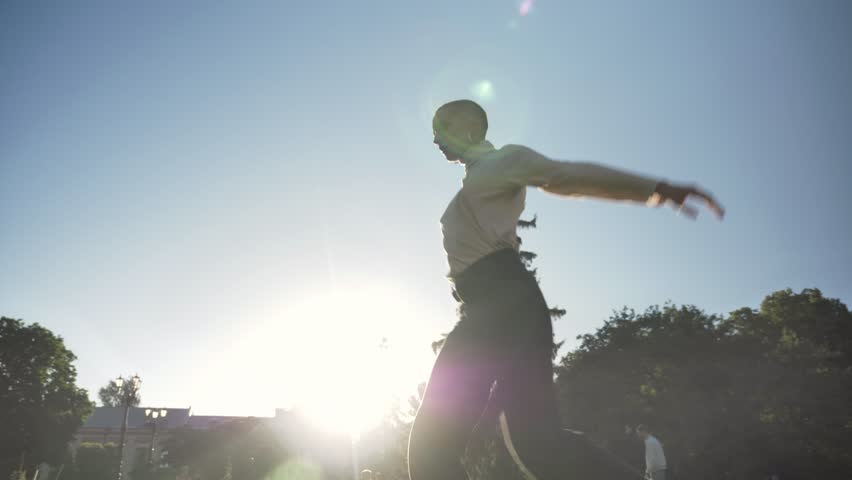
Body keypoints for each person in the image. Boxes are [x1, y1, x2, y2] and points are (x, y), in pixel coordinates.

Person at [406, 99, 723, 480]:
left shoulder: (502, 162)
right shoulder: (475, 181)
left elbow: (565, 176)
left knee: (432, 448)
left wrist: (656, 189)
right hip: (496, 307)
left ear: (472, 127)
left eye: (444, 125)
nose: (435, 136)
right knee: (539, 446)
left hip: (505, 303)